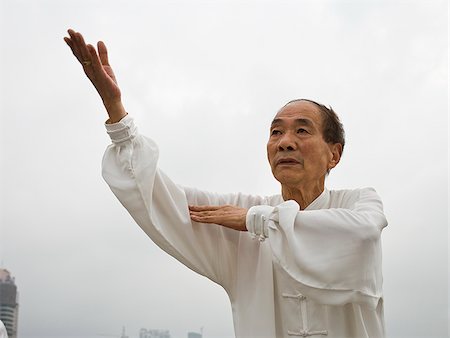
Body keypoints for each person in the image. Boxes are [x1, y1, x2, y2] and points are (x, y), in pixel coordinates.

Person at [64, 29, 388, 338]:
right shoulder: (237, 225)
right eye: (276, 132)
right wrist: (117, 112)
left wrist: (253, 220)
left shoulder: (358, 203)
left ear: (335, 154)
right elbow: (159, 198)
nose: (285, 142)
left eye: (302, 131)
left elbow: (361, 235)